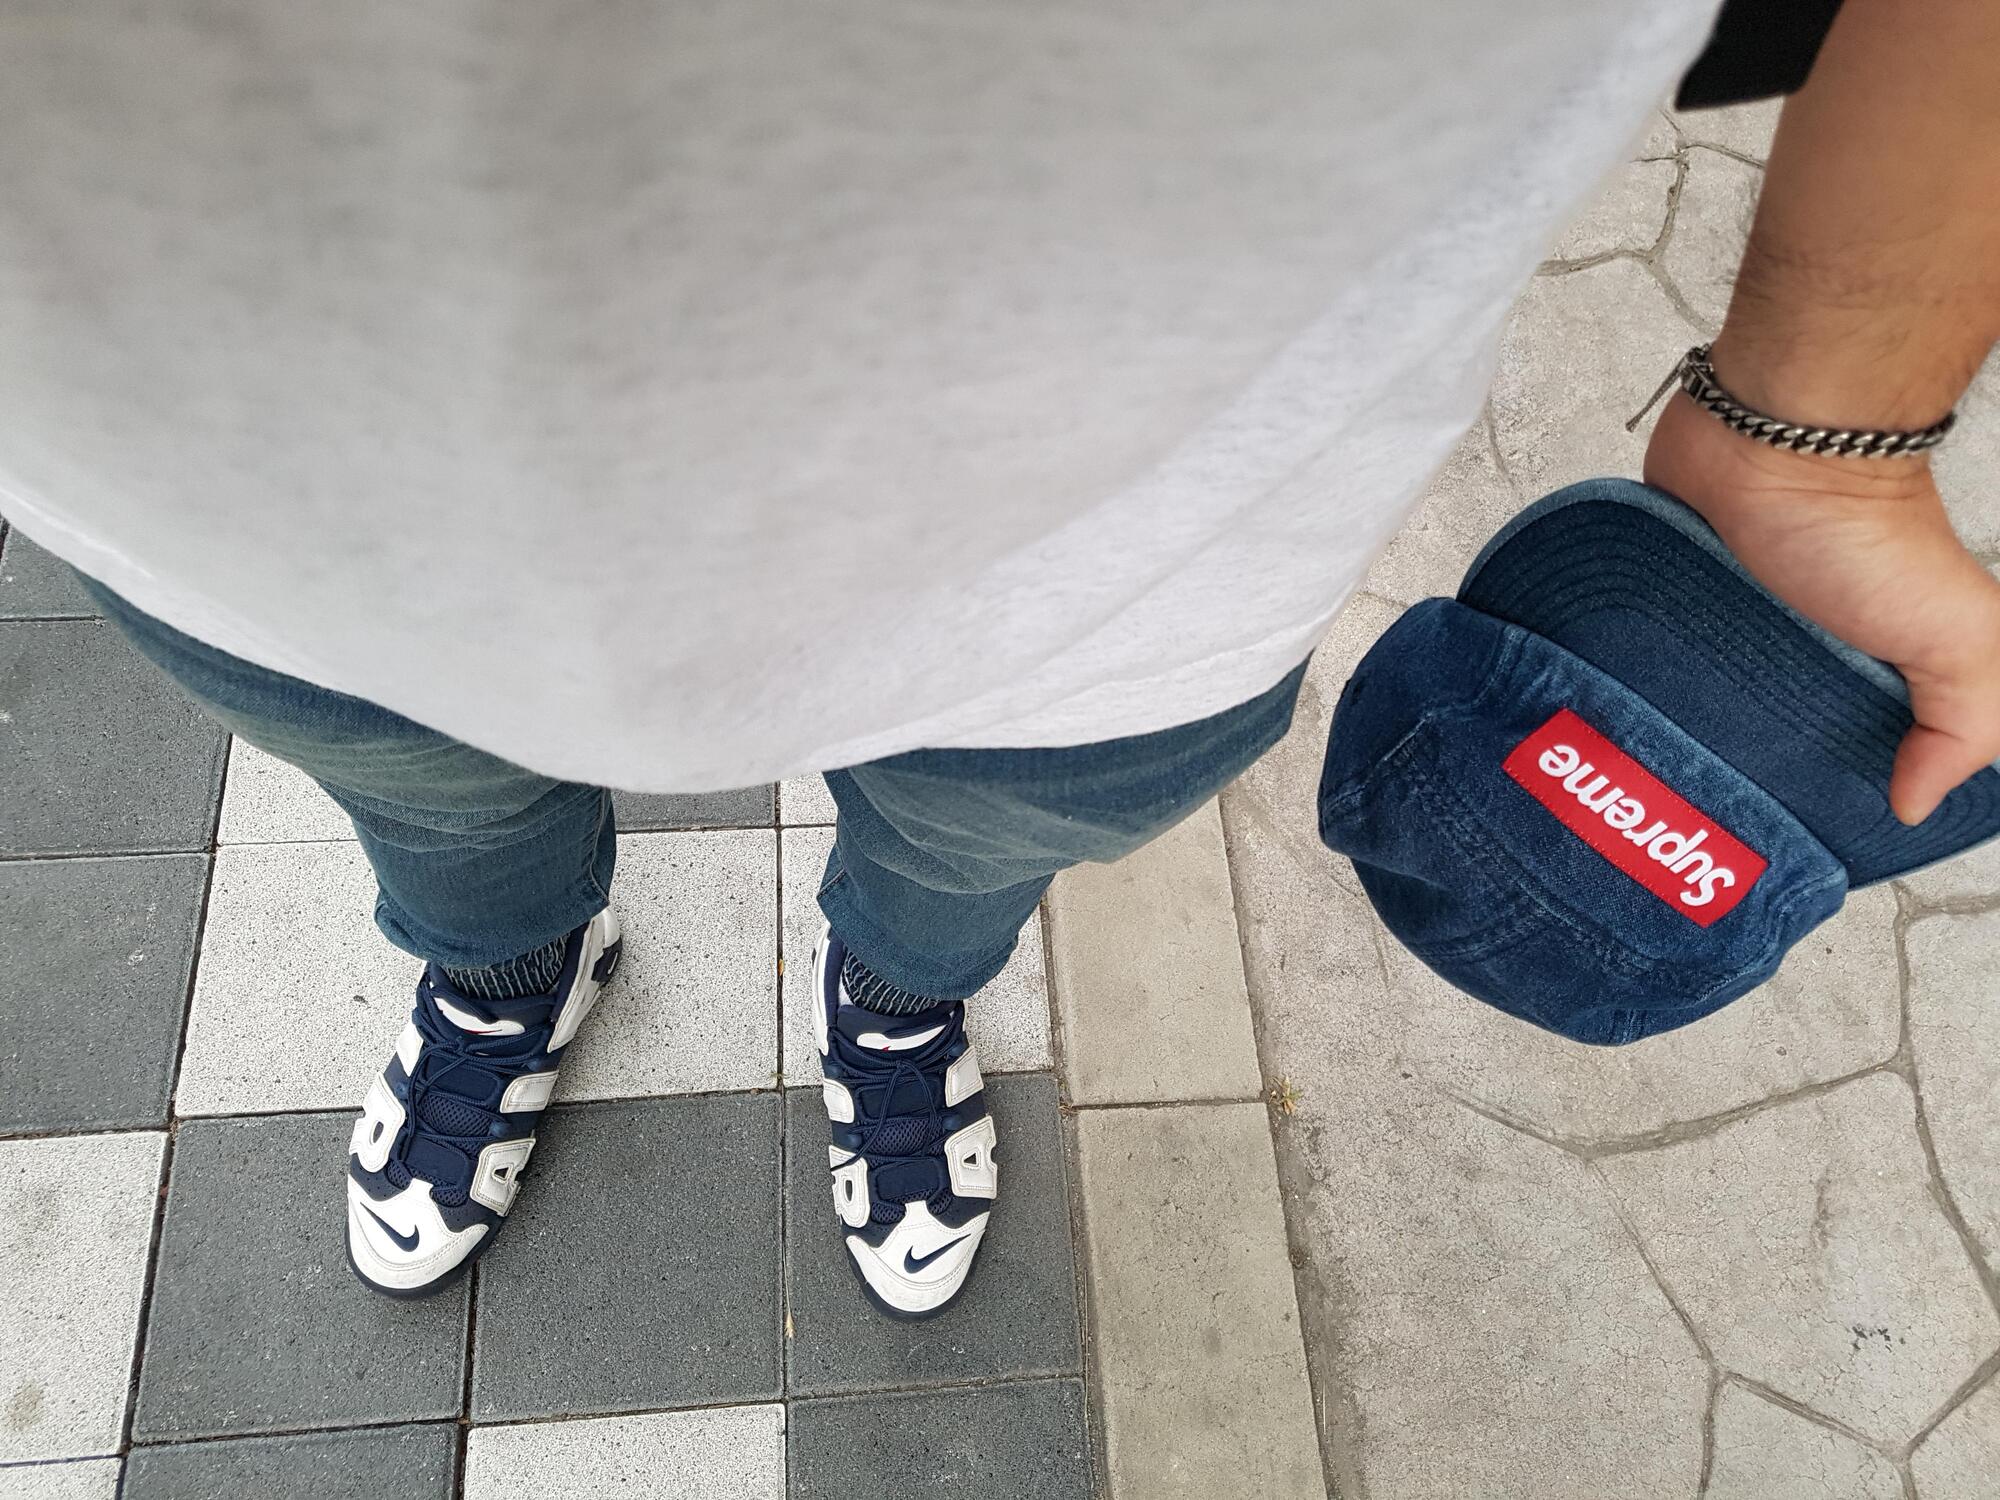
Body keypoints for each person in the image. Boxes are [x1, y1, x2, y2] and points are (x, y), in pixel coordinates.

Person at [3, 0, 1995, 1325]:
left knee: (964, 870)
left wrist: (1828, 417)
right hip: (235, 518)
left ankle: (888, 1012)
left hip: (1142, 551)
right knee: (441, 821)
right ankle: (509, 972)